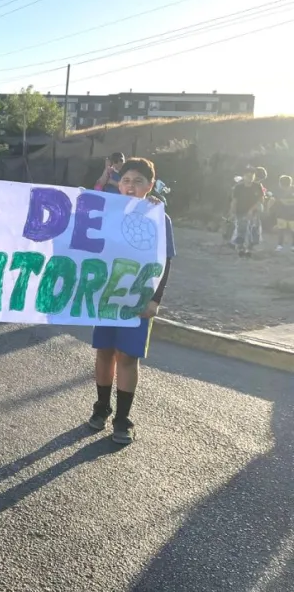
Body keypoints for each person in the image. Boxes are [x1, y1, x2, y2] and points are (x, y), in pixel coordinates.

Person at [88, 157, 175, 445]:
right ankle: (101, 408)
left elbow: (166, 260)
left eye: (138, 181)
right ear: (119, 184)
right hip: (106, 295)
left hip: (137, 299)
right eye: (126, 180)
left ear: (150, 186)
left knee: (127, 357)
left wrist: (155, 299)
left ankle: (122, 419)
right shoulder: (106, 212)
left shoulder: (159, 217)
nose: (131, 186)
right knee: (104, 352)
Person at [231, 165, 264, 258]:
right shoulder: (238, 187)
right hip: (240, 211)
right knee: (241, 229)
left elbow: (260, 200)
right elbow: (234, 200)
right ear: (244, 176)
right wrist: (232, 211)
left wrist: (251, 210)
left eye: (252, 175)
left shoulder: (257, 186)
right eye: (248, 175)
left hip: (254, 212)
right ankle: (240, 247)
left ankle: (249, 248)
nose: (250, 177)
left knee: (253, 230)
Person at [273, 175, 294, 251]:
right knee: (281, 230)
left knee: (292, 230)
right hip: (281, 214)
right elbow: (275, 201)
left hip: (292, 215)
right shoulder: (278, 191)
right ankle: (280, 245)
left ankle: (292, 245)